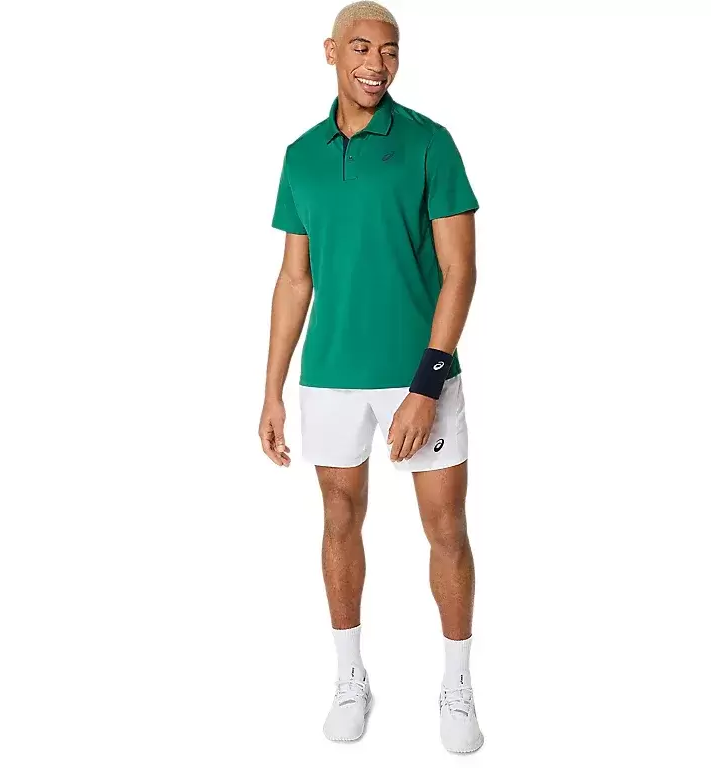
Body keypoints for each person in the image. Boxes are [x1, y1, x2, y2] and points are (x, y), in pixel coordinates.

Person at [258, 1, 482, 753]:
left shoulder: (429, 143)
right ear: (330, 52)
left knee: (445, 528)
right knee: (338, 517)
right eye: (360, 48)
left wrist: (427, 385)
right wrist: (271, 391)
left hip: (417, 373)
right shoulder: (301, 155)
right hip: (330, 376)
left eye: (390, 51)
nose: (376, 65)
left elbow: (460, 272)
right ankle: (350, 678)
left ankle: (458, 684)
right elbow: (295, 279)